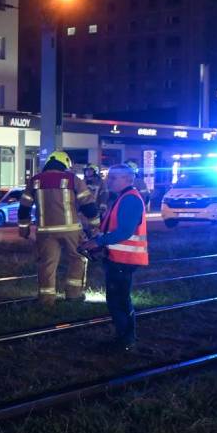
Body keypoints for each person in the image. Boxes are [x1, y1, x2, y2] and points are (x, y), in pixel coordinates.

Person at [79, 163, 147, 351]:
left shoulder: (129, 200)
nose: (109, 181)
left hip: (123, 260)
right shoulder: (122, 198)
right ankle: (125, 337)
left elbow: (124, 232)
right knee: (120, 299)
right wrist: (97, 239)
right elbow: (112, 228)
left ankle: (125, 340)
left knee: (118, 300)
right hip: (118, 258)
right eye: (109, 177)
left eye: (114, 178)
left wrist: (98, 243)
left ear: (128, 179)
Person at [18, 150, 100, 305]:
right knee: (77, 259)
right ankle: (74, 295)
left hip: (45, 231)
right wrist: (95, 225)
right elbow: (88, 205)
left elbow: (24, 207)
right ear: (65, 164)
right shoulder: (73, 179)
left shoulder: (35, 181)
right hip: (71, 230)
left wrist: (24, 228)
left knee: (47, 264)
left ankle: (46, 299)